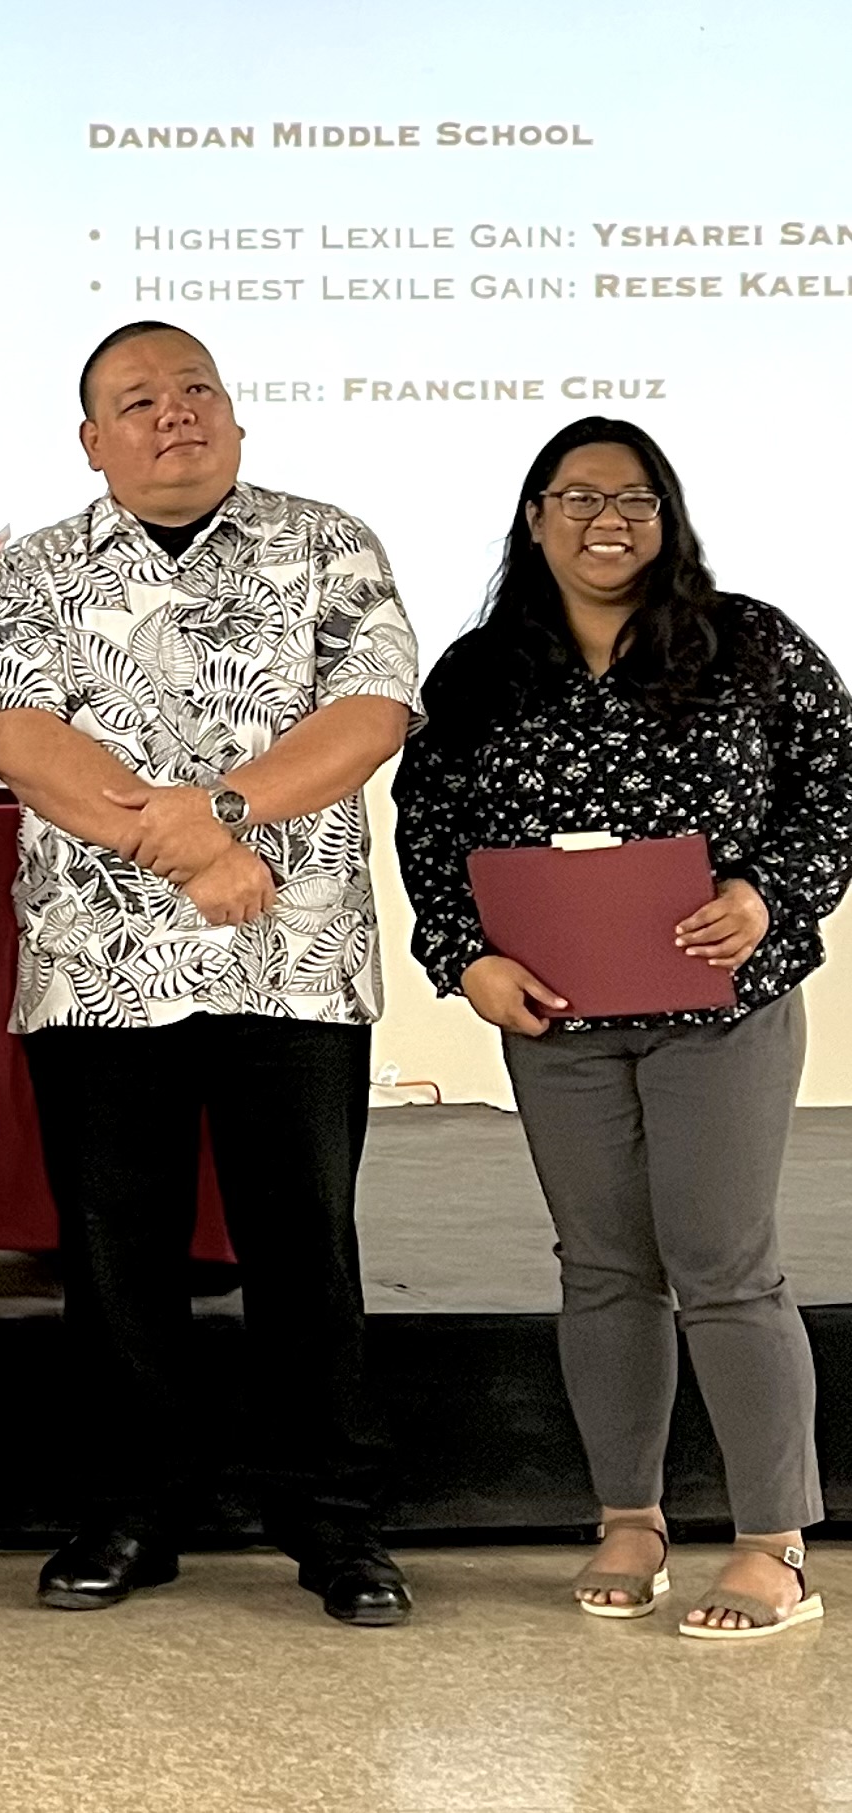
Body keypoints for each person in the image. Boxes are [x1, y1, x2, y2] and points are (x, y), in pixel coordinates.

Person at [0, 321, 420, 1627]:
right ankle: (130, 1508)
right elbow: (18, 735)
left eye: (195, 390)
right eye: (138, 400)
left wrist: (217, 813)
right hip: (99, 962)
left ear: (232, 414)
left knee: (304, 1245)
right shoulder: (37, 567)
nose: (174, 414)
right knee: (117, 1250)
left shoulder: (326, 543)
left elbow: (370, 714)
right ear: (90, 440)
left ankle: (330, 1519)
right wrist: (184, 849)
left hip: (293, 953)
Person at [394, 419, 851, 1640]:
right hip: (558, 1016)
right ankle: (631, 1519)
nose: (610, 520)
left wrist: (767, 895)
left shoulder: (750, 643)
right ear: (535, 515)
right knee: (601, 1267)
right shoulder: (481, 671)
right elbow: (429, 825)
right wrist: (465, 957)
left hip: (723, 1005)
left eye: (637, 498)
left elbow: (835, 786)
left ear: (669, 514)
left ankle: (772, 1545)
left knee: (724, 1261)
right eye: (582, 496)